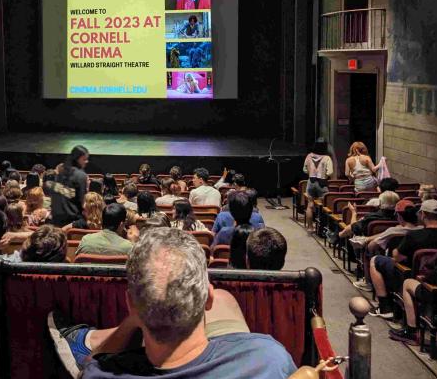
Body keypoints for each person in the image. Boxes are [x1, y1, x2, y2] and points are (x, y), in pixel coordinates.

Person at [49, 227, 297, 378]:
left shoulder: (100, 374)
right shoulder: (268, 358)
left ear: (129, 304)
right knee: (226, 299)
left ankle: (82, 339)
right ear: (207, 300)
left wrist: (137, 316)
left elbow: (92, 366)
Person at [368, 200, 437, 318]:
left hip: (411, 275)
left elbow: (397, 257)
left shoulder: (415, 236)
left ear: (423, 214)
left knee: (375, 260)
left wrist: (393, 250)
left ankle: (384, 307)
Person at [45, 146, 89, 227]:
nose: (86, 161)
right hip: (72, 220)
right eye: (84, 159)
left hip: (56, 220)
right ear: (77, 159)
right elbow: (82, 202)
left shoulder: (60, 174)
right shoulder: (81, 175)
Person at [303, 140, 333, 229]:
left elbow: (304, 170)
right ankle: (321, 228)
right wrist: (324, 175)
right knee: (322, 206)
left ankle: (310, 227)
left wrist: (311, 172)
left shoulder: (309, 156)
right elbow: (330, 172)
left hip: (311, 182)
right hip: (322, 183)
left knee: (310, 205)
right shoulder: (327, 158)